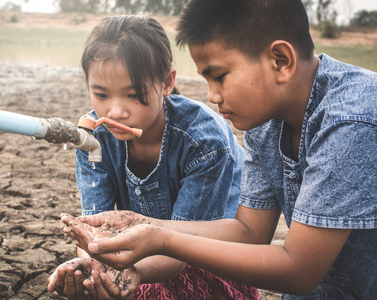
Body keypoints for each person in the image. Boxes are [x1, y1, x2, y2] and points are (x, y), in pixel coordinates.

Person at [60, 1, 377, 299]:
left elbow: (300, 269)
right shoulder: (265, 122)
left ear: (280, 61)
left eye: (220, 77)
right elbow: (249, 232)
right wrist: (140, 225)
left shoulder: (349, 119)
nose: (211, 96)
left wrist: (160, 237)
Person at [47, 15, 260, 300]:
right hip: (139, 256)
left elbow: (183, 251)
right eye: (100, 94)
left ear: (167, 83)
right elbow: (93, 227)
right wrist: (93, 266)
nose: (115, 112)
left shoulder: (205, 141)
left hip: (204, 255)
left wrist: (128, 272)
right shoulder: (91, 139)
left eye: (133, 95)